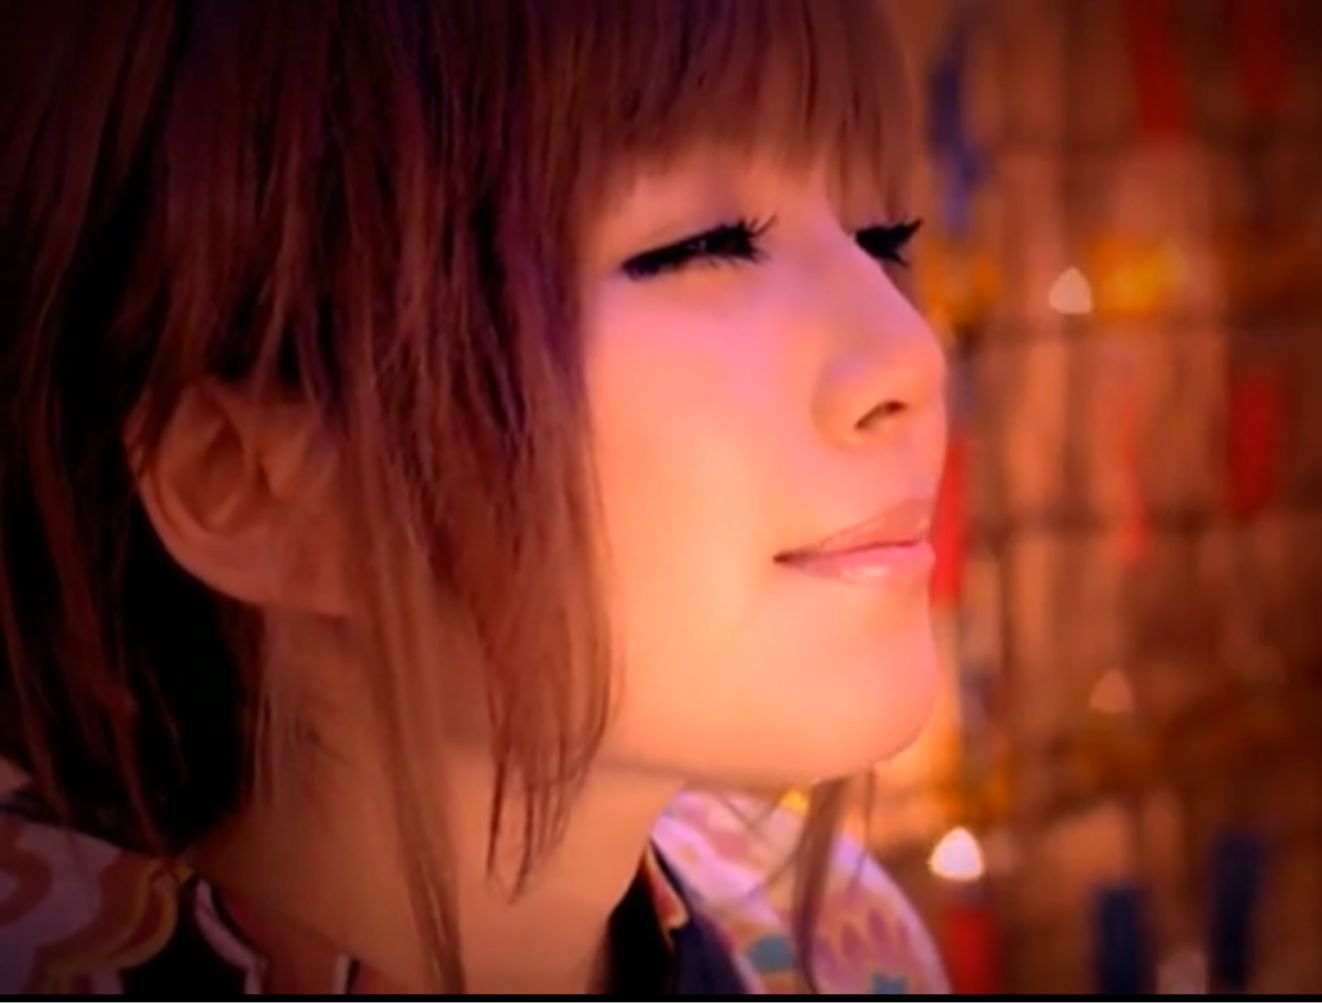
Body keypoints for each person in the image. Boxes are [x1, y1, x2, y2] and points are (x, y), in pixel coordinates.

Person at [0, 0, 951, 994]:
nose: (909, 354)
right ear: (247, 482)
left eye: (878, 237)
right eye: (700, 245)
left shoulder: (840, 944)